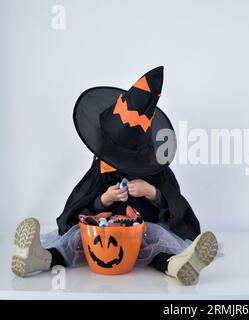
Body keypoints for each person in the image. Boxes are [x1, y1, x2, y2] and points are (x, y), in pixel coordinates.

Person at [11, 66, 218, 285]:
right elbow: (79, 202)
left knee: (154, 244)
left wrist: (153, 193)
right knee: (77, 240)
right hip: (103, 230)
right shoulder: (102, 167)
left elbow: (175, 203)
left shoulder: (155, 170)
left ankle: (178, 264)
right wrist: (104, 200)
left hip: (142, 230)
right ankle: (40, 258)